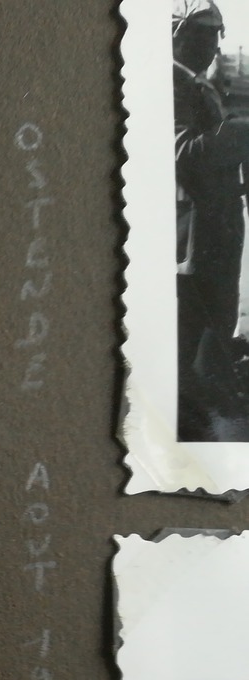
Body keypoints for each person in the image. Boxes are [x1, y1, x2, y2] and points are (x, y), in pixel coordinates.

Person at [174, 0, 249, 439]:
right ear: (177, 34)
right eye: (205, 31)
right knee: (194, 321)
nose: (215, 42)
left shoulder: (198, 83)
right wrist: (239, 133)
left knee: (214, 320)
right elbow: (182, 154)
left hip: (217, 228)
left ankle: (210, 393)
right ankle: (195, 415)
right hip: (196, 232)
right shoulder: (172, 82)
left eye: (218, 32)